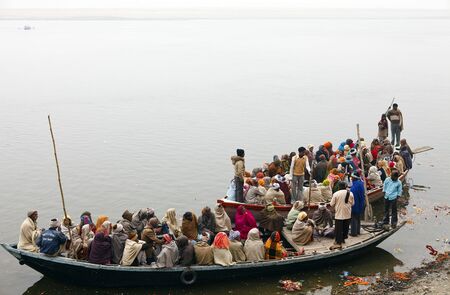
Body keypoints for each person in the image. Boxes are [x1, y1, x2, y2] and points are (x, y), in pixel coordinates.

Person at [329, 181, 354, 249]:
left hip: (339, 213)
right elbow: (352, 203)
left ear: (339, 187)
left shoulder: (336, 194)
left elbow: (331, 204)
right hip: (347, 213)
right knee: (346, 227)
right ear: (345, 186)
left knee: (338, 229)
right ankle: (343, 239)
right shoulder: (351, 193)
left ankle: (338, 241)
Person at [349, 172, 366, 237]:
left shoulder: (354, 187)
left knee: (353, 218)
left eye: (352, 177)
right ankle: (357, 231)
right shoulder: (360, 183)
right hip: (360, 203)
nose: (351, 178)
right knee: (358, 218)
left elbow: (353, 197)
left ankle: (354, 233)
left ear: (354, 178)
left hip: (355, 205)